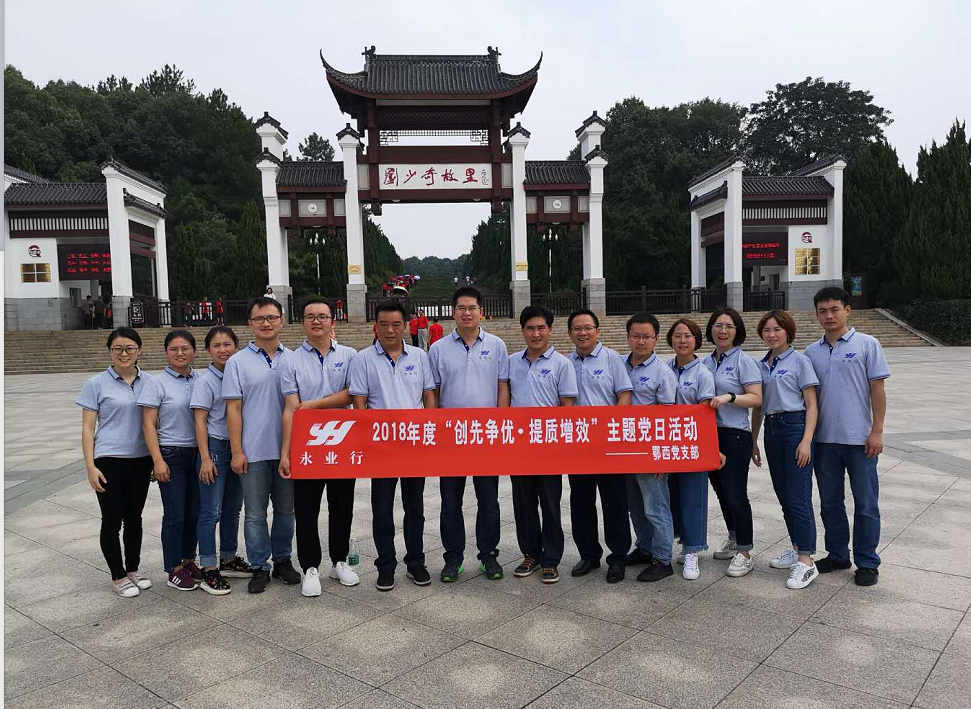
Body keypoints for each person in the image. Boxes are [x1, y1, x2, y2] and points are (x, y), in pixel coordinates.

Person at [348, 300, 436, 591]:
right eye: (384, 324)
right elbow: (359, 401)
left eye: (396, 324)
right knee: (382, 509)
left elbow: (428, 396)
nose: (390, 330)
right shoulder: (363, 359)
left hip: (413, 444)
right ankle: (385, 565)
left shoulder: (420, 356)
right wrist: (368, 438)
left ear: (406, 326)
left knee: (415, 508)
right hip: (381, 447)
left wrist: (429, 431)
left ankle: (416, 562)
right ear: (375, 326)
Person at [804, 287, 889, 587]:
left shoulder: (867, 344)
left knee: (866, 503)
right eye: (823, 311)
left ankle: (867, 562)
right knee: (830, 502)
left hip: (860, 440)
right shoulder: (811, 352)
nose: (829, 315)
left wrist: (877, 430)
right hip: (825, 441)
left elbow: (878, 390)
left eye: (834, 309)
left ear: (847, 310)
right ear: (817, 314)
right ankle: (838, 554)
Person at [279, 299, 360, 597]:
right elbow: (291, 408)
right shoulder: (290, 361)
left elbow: (351, 394)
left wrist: (313, 405)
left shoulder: (350, 356)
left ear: (333, 321)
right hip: (307, 445)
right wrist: (286, 452)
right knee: (307, 509)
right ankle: (310, 567)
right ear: (302, 322)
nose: (317, 321)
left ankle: (339, 562)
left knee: (342, 506)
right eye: (310, 316)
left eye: (322, 316)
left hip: (342, 442)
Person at [428, 287, 509, 583]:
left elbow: (502, 387)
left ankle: (488, 555)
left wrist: (500, 424)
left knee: (489, 500)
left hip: (485, 435)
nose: (466, 313)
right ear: (453, 312)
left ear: (481, 312)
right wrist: (436, 428)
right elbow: (433, 392)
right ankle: (453, 558)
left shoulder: (497, 345)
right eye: (461, 308)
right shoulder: (438, 349)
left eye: (472, 308)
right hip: (451, 438)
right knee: (451, 502)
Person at [224, 296, 299, 593]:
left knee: (286, 510)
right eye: (259, 319)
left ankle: (282, 560)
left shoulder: (294, 358)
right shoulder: (237, 362)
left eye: (271, 318)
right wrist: (237, 450)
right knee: (255, 514)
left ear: (281, 320)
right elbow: (233, 409)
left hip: (288, 451)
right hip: (253, 450)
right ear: (250, 324)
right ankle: (259, 565)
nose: (266, 323)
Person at [77, 328, 154, 597]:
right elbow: (88, 428)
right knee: (112, 519)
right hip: (109, 460)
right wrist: (90, 467)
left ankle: (132, 569)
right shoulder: (96, 384)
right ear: (110, 352)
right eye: (118, 349)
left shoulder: (149, 382)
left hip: (140, 459)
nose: (124, 353)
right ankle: (118, 575)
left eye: (130, 348)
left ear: (139, 350)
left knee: (134, 518)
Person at [508, 305, 577, 584]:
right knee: (523, 503)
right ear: (522, 330)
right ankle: (530, 554)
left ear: (550, 330)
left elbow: (567, 406)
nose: (535, 334)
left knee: (550, 504)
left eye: (541, 328)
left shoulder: (562, 364)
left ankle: (551, 560)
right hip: (519, 447)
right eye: (530, 328)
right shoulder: (511, 362)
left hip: (548, 446)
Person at [751, 309, 820, 589]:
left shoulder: (800, 361)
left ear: (788, 332)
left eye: (777, 329)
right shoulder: (761, 365)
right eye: (767, 330)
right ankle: (796, 546)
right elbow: (758, 406)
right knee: (783, 494)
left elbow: (812, 405)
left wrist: (806, 440)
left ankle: (807, 560)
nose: (772, 334)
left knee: (798, 495)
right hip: (772, 429)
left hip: (794, 427)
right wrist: (753, 439)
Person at [566, 308, 632, 584]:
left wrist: (610, 429)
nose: (583, 333)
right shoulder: (565, 362)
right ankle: (589, 555)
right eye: (577, 328)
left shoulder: (612, 358)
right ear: (570, 333)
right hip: (579, 444)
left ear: (597, 331)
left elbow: (624, 396)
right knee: (581, 502)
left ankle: (617, 558)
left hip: (608, 444)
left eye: (588, 328)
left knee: (614, 502)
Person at [191, 326, 256, 595]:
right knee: (210, 511)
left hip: (239, 447)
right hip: (216, 448)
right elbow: (199, 421)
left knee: (233, 509)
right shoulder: (206, 381)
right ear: (208, 350)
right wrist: (206, 457)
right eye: (216, 345)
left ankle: (228, 558)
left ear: (236, 346)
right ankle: (208, 567)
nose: (223, 350)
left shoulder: (240, 373)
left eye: (227, 344)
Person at [138, 329, 201, 591]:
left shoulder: (201, 379)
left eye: (185, 348)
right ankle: (173, 568)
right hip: (171, 454)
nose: (180, 353)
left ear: (194, 351)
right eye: (174, 349)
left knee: (194, 513)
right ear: (166, 352)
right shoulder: (156, 382)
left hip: (198, 455)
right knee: (175, 515)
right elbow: (148, 424)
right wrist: (157, 460)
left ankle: (188, 560)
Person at [703, 307, 763, 578]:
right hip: (709, 435)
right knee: (721, 492)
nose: (723, 330)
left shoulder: (743, 361)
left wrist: (730, 397)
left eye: (728, 326)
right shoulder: (705, 362)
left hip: (735, 434)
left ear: (737, 331)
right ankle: (733, 536)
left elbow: (756, 398)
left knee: (736, 493)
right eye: (718, 325)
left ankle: (745, 551)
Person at [621, 312, 679, 583]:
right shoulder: (620, 365)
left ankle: (663, 559)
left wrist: (662, 456)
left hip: (650, 449)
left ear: (656, 339)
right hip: (624, 447)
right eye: (636, 336)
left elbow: (667, 417)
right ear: (628, 337)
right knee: (635, 505)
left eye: (646, 336)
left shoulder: (662, 372)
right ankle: (644, 547)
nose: (641, 341)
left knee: (655, 506)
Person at [666, 318, 717, 580]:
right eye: (677, 335)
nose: (682, 340)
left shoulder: (703, 373)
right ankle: (682, 542)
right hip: (667, 443)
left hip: (692, 443)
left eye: (688, 336)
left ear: (696, 340)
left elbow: (705, 414)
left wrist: (712, 447)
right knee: (672, 496)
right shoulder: (664, 368)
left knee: (693, 496)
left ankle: (693, 550)